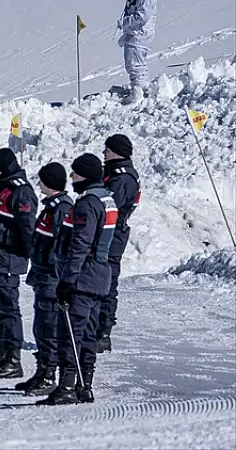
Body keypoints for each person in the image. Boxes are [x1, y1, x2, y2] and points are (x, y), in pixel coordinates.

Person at [39, 154, 115, 406]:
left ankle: (67, 385)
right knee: (88, 334)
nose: (71, 177)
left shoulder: (87, 204)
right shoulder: (107, 199)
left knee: (71, 332)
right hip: (99, 275)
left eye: (75, 173)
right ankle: (85, 384)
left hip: (83, 277)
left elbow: (80, 245)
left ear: (85, 175)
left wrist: (67, 280)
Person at [0, 148, 37, 379]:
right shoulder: (1, 188)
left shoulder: (20, 192)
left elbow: (28, 230)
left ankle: (14, 358)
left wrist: (34, 260)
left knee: (9, 310)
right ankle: (2, 353)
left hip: (8, 260)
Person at [18, 162, 73, 396]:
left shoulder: (61, 208)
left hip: (51, 277)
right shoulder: (51, 207)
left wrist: (51, 265)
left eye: (42, 180)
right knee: (40, 326)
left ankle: (50, 374)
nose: (38, 183)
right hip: (42, 275)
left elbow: (63, 244)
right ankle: (42, 370)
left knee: (49, 327)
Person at [98, 133, 139, 352]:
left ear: (116, 151)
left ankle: (103, 332)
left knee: (107, 280)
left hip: (112, 234)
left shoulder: (122, 178)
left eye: (107, 149)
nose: (104, 152)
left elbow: (107, 207)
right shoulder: (113, 173)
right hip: (107, 233)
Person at [116, 0, 160, 103]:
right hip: (137, 35)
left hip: (138, 36)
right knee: (138, 63)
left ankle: (137, 93)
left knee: (134, 64)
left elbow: (141, 17)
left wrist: (125, 23)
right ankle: (144, 88)